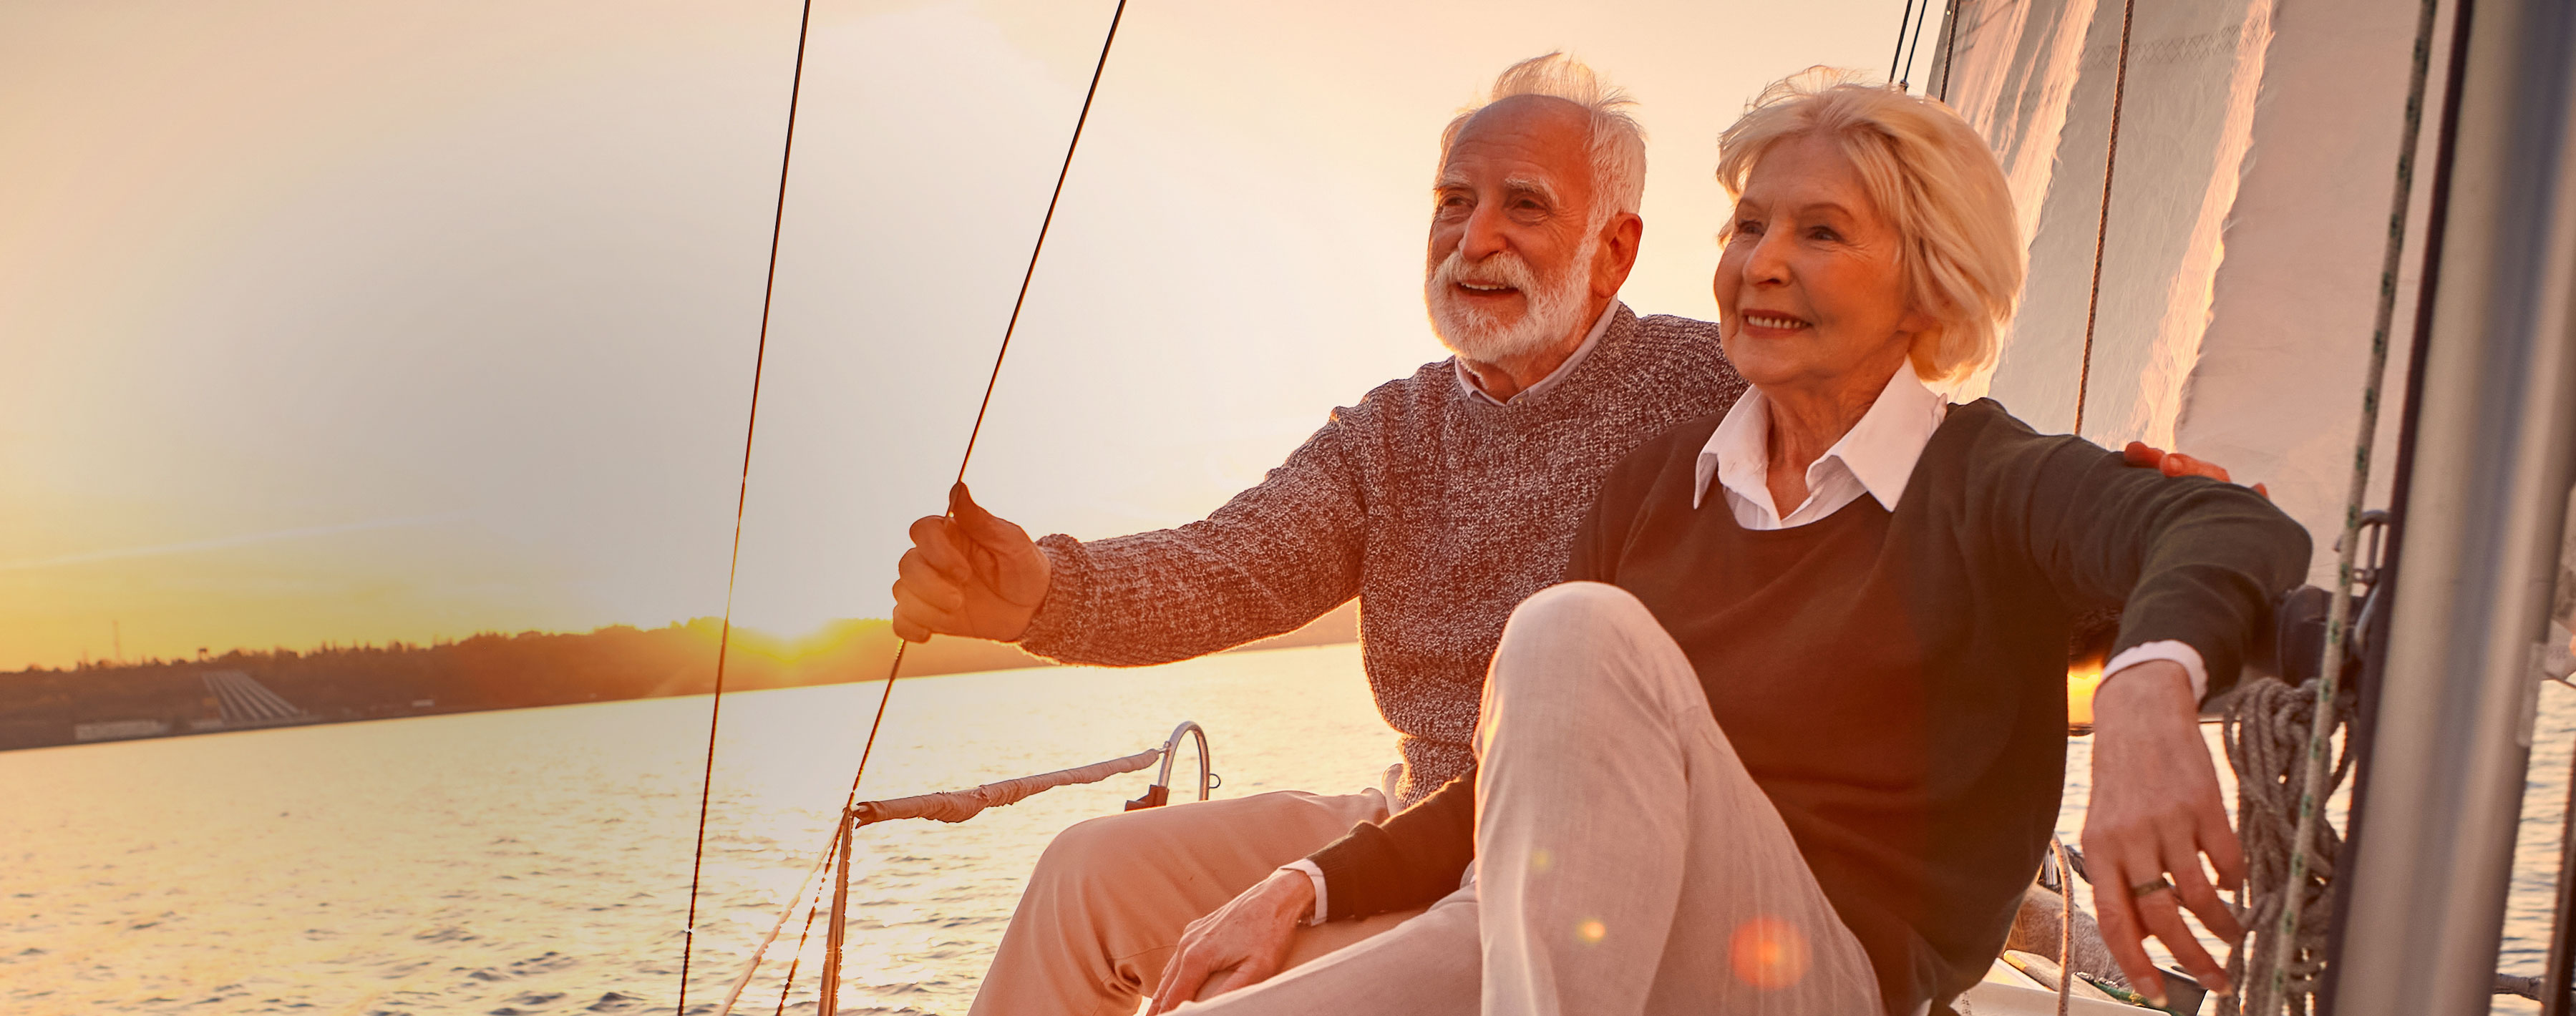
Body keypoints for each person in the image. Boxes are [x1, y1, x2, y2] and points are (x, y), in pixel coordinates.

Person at [895, 57, 2248, 1016]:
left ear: (1614, 251)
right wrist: (1038, 593)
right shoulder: (1411, 435)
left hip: (1719, 893)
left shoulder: (1727, 388)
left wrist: (2142, 650)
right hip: (1443, 819)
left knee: (1573, 633)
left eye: (1522, 206)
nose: (1474, 237)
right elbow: (1224, 568)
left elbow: (1960, 522)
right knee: (1090, 876)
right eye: (1452, 202)